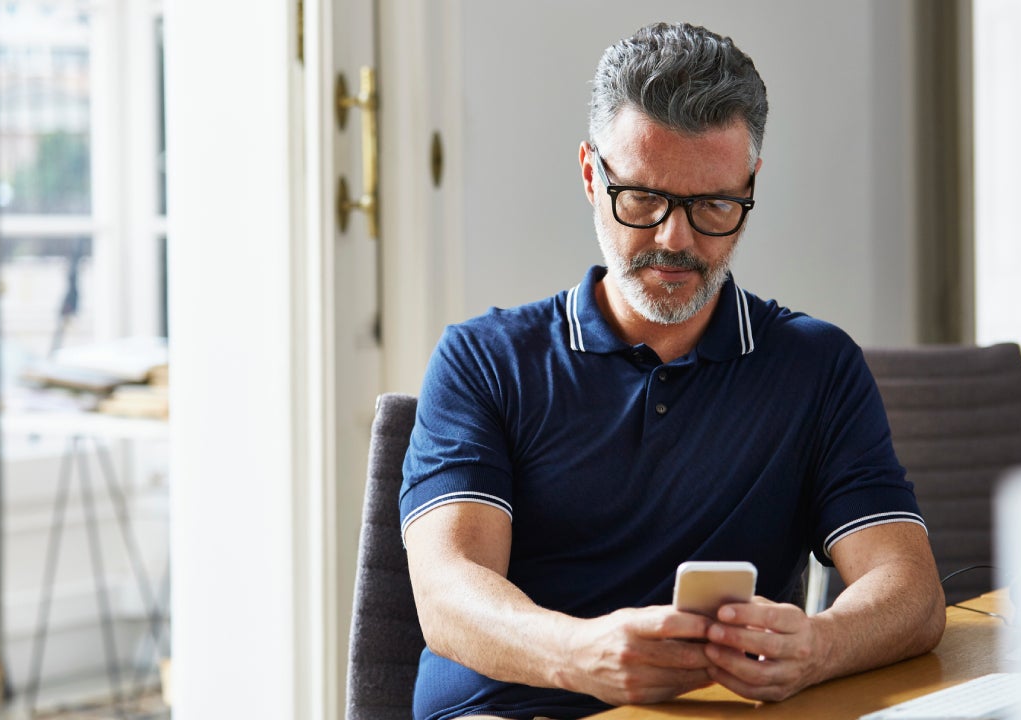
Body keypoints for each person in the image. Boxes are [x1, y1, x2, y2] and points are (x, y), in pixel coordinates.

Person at [399, 21, 946, 720]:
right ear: (592, 175)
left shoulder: (816, 367)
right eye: (644, 200)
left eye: (713, 205)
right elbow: (448, 593)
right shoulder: (483, 360)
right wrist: (581, 654)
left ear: (749, 186)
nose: (674, 240)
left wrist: (821, 643)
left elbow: (912, 592)